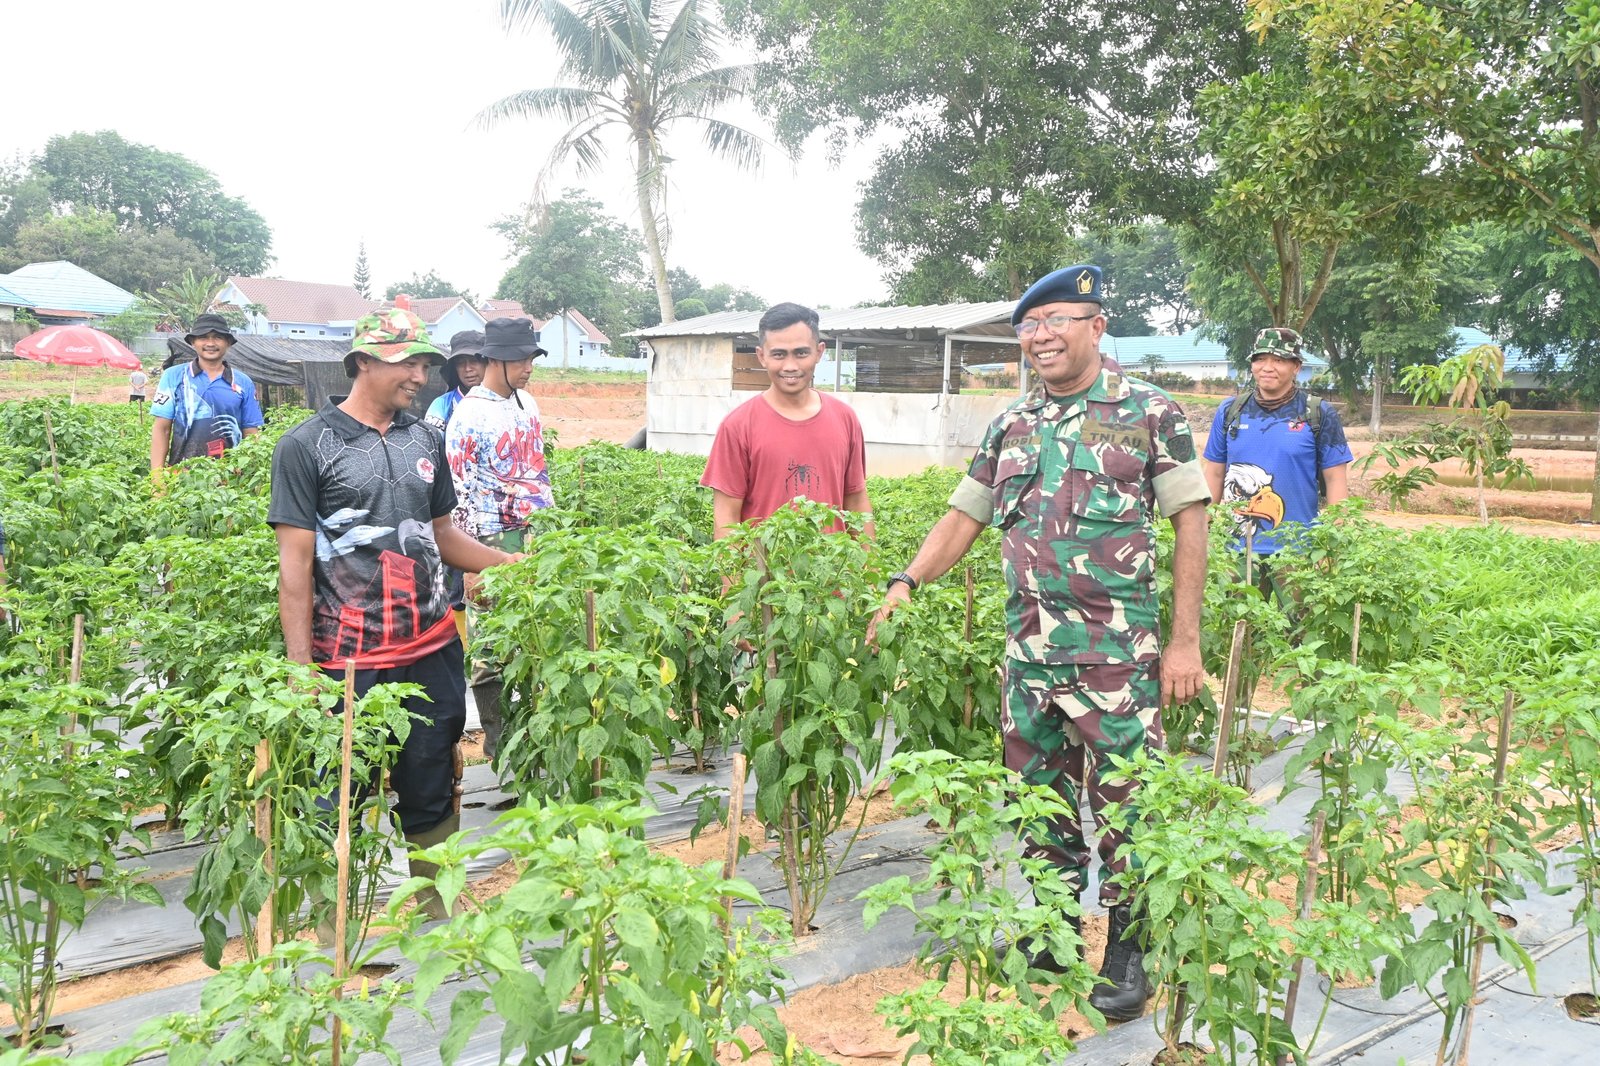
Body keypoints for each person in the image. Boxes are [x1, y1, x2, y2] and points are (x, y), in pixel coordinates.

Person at [868, 265, 1210, 1021]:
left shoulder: (1148, 412)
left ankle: (1128, 948)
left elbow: (1191, 520)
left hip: (1116, 656)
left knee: (1129, 805)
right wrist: (907, 580)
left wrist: (1184, 643)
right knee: (1038, 802)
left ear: (1096, 326)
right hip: (1028, 656)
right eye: (1029, 325)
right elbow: (965, 515)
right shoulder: (1013, 423)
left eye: (1057, 320)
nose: (1041, 336)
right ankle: (1053, 933)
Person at [268, 308, 521, 919]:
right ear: (363, 362)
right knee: (338, 794)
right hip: (347, 658)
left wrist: (508, 566)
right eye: (407, 363)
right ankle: (334, 926)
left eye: (425, 365)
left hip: (431, 647)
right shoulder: (307, 446)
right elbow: (294, 565)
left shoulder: (425, 438)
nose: (420, 376)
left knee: (431, 781)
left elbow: (441, 534)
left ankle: (437, 912)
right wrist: (301, 668)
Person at [444, 316, 554, 760]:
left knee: (536, 635)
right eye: (522, 359)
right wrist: (472, 566)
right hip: (490, 540)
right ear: (497, 360)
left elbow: (538, 472)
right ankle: (499, 744)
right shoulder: (468, 416)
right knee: (491, 646)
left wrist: (546, 534)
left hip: (533, 535)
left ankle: (536, 735)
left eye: (531, 359)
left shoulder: (527, 403)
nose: (529, 368)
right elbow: (459, 493)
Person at [699, 302, 873, 538]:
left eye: (801, 353)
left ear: (819, 352)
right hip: (763, 563)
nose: (790, 366)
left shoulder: (845, 418)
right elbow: (726, 518)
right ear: (761, 356)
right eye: (779, 354)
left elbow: (856, 500)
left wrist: (868, 559)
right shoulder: (737, 426)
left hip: (832, 562)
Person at [1202, 326, 1353, 560]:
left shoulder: (1318, 412)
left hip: (1298, 550)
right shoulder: (1230, 411)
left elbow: (1335, 479)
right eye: (1260, 359)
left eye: (1279, 360)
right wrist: (1202, 529)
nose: (1267, 367)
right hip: (1235, 552)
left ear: (1296, 367)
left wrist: (1335, 541)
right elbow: (1214, 473)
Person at [150, 313, 264, 473]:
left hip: (230, 479)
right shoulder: (174, 376)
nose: (210, 343)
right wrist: (157, 478)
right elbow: (162, 429)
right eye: (203, 337)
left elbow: (251, 433)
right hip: (181, 476)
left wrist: (251, 475)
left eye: (218, 337)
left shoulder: (243, 382)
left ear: (228, 342)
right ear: (193, 342)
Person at [423, 330, 488, 432]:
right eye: (460, 363)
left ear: (487, 363)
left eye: (474, 361)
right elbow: (433, 438)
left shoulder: (503, 400)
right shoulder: (443, 404)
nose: (467, 368)